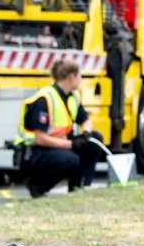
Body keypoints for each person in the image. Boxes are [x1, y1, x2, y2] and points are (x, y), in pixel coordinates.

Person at [13, 59, 104, 197]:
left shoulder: (71, 97)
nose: (80, 80)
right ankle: (37, 186)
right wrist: (72, 144)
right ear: (72, 76)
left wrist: (85, 134)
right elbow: (40, 138)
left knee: (94, 139)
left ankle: (78, 187)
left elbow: (86, 121)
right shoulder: (45, 99)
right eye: (79, 76)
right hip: (34, 151)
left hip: (56, 145)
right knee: (71, 160)